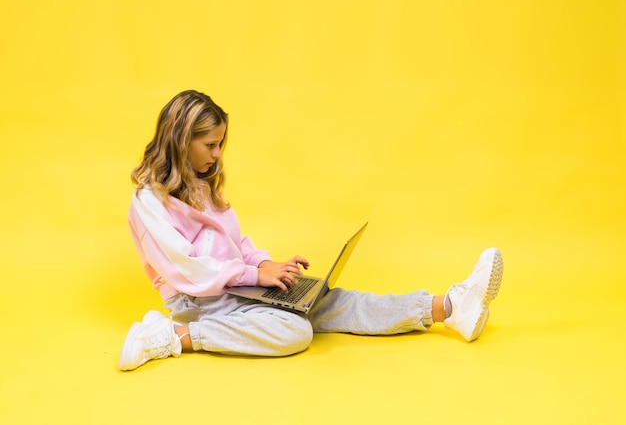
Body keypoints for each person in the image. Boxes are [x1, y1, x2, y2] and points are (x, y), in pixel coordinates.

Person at [118, 90, 503, 371]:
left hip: (234, 287)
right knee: (295, 331)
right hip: (198, 302)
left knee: (332, 300)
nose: (218, 154)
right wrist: (253, 274)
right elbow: (188, 269)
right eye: (211, 145)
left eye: (220, 144)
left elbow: (236, 244)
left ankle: (449, 307)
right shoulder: (147, 201)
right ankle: (175, 337)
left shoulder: (199, 183)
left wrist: (269, 265)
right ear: (181, 140)